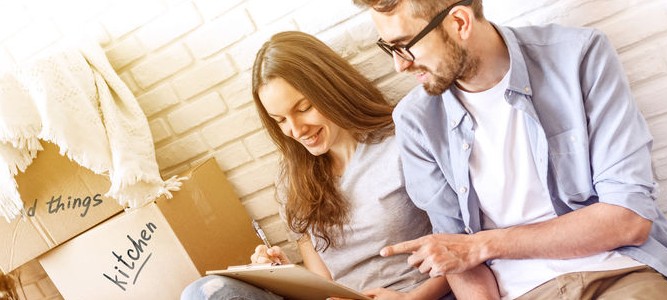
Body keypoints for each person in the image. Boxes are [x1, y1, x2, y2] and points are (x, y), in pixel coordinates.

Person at [351, 0, 667, 299]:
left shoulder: (577, 57)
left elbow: (628, 219)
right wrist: (467, 253)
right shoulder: (416, 120)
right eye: (389, 48)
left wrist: (481, 245)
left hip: (618, 273)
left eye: (404, 46)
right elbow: (454, 252)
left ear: (459, 22)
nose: (399, 66)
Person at [181, 31, 493, 300]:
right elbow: (323, 282)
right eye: (280, 120)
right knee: (206, 292)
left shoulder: (402, 142)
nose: (296, 130)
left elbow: (462, 245)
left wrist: (412, 298)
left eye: (303, 108)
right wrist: (281, 274)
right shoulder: (294, 178)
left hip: (413, 295)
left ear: (329, 88)